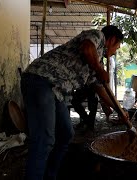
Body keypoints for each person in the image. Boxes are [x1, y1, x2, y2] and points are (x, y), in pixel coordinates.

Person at [20, 25, 125, 180]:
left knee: (66, 133)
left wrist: (120, 110)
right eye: (117, 47)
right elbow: (87, 47)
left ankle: (50, 175)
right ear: (112, 39)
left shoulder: (98, 60)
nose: (115, 51)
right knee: (44, 140)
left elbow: (101, 90)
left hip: (56, 91)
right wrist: (98, 68)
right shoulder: (97, 36)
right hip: (40, 80)